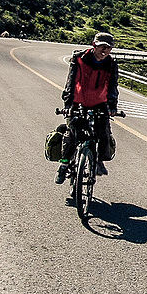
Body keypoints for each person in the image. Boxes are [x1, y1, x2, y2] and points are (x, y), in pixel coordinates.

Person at [56, 32, 120, 184]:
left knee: (103, 132)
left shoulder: (111, 64)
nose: (104, 51)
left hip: (99, 103)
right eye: (101, 47)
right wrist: (68, 104)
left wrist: (112, 105)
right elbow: (71, 82)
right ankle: (64, 165)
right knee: (73, 133)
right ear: (93, 45)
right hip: (78, 102)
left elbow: (112, 86)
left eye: (108, 48)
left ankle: (98, 161)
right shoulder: (79, 59)